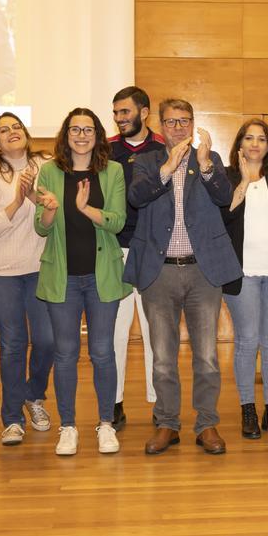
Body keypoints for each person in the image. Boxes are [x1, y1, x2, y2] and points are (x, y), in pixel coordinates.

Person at [124, 99, 241, 456]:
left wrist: (204, 165)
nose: (178, 127)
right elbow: (136, 197)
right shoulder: (145, 161)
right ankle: (167, 424)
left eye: (184, 121)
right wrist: (167, 166)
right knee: (162, 356)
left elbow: (225, 197)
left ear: (193, 123)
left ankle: (206, 424)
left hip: (202, 271)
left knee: (206, 355)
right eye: (171, 122)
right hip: (159, 272)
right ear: (161, 125)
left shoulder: (211, 159)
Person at [33, 108, 128, 456]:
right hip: (63, 277)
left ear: (98, 135)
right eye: (75, 129)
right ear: (66, 134)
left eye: (88, 129)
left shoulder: (113, 171)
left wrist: (85, 208)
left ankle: (105, 424)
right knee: (65, 354)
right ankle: (68, 427)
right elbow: (41, 228)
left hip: (101, 276)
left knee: (103, 352)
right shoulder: (49, 170)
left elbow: (117, 222)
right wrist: (51, 209)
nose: (82, 135)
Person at [0, 112, 54, 446]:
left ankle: (33, 395)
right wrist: (18, 201)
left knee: (48, 340)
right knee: (13, 343)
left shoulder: (46, 165)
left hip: (40, 269)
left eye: (16, 127)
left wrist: (38, 197)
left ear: (26, 133)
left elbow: (56, 208)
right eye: (3, 131)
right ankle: (12, 419)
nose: (12, 132)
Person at [222, 119, 268, 439]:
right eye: (249, 138)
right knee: (246, 341)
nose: (255, 144)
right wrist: (242, 181)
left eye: (261, 139)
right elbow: (226, 213)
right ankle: (248, 409)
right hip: (241, 274)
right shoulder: (225, 176)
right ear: (239, 143)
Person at [107, 86, 164, 430]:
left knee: (156, 333)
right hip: (115, 250)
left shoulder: (162, 149)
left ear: (143, 112)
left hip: (153, 251)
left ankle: (160, 405)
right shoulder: (106, 150)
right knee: (115, 333)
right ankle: (114, 404)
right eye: (115, 113)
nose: (119, 118)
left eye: (125, 112)